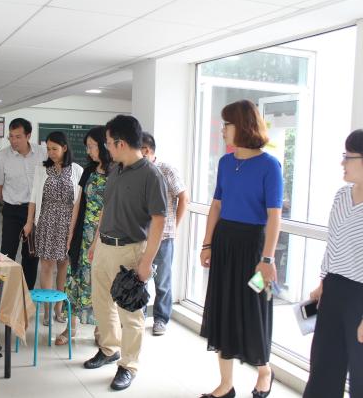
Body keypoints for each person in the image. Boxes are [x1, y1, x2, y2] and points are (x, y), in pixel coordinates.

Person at [199, 100, 283, 398]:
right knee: (223, 307)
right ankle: (226, 384)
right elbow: (216, 206)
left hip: (254, 249)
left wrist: (267, 259)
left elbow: (275, 216)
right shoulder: (225, 162)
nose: (222, 130)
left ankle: (264, 370)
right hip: (225, 243)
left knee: (254, 308)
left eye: (227, 124)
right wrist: (207, 243)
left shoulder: (270, 165)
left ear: (244, 126)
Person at [83, 115, 167, 391]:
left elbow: (159, 221)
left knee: (130, 313)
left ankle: (128, 365)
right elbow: (107, 208)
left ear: (120, 143)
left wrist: (146, 262)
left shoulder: (151, 175)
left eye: (108, 142)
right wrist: (95, 242)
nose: (106, 147)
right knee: (101, 303)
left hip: (130, 250)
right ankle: (109, 349)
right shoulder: (115, 170)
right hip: (104, 246)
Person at [303, 129, 363, 398]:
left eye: (348, 157)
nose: (342, 163)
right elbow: (333, 243)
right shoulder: (341, 195)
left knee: (360, 375)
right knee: (323, 367)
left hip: (360, 296)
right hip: (334, 288)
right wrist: (323, 282)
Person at [57, 126, 112, 346]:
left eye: (91, 146)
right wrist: (70, 232)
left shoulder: (116, 172)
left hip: (103, 237)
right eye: (87, 147)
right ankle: (70, 327)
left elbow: (109, 208)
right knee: (75, 279)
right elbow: (79, 203)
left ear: (104, 145)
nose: (88, 151)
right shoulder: (89, 171)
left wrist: (96, 240)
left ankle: (100, 328)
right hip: (82, 234)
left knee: (98, 284)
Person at [23, 131, 83, 324]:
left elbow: (79, 201)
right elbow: (33, 198)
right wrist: (29, 222)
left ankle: (59, 309)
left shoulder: (77, 170)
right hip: (46, 221)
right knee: (47, 266)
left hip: (68, 224)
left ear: (64, 148)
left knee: (64, 266)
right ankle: (47, 311)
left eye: (54, 149)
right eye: (48, 149)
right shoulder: (42, 169)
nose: (51, 153)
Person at [140, 132, 189, 336]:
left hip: (164, 236)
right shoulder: (137, 171)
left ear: (147, 150)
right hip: (141, 235)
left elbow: (184, 197)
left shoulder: (166, 170)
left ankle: (160, 319)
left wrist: (174, 226)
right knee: (140, 278)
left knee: (162, 281)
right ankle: (139, 316)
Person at [0, 118, 47, 289]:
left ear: (28, 136)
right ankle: (5, 291)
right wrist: (8, 202)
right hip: (12, 210)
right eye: (11, 136)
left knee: (31, 254)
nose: (13, 141)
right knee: (7, 252)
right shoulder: (1, 157)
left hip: (36, 211)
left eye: (18, 137)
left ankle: (27, 292)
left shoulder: (42, 153)